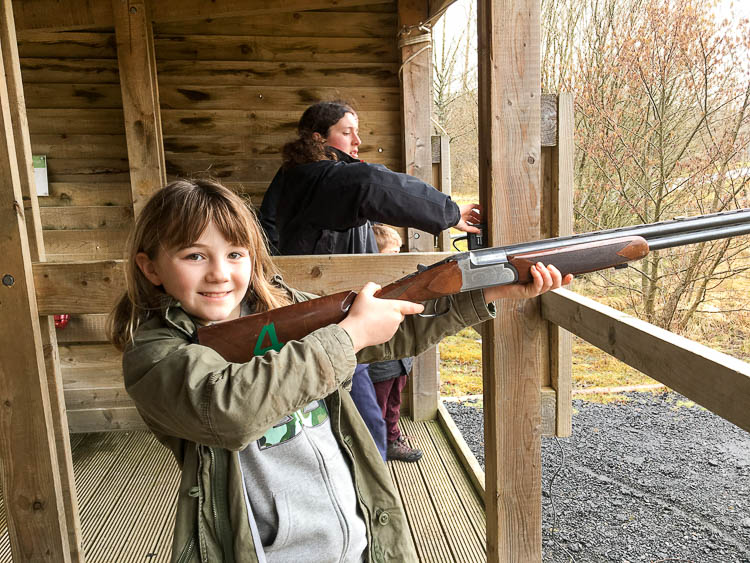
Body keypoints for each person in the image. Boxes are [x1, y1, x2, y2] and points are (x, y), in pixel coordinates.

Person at [108, 178, 571, 562]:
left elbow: (391, 331)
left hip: (353, 532)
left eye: (235, 254)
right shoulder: (155, 353)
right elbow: (231, 409)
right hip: (265, 550)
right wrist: (349, 334)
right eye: (194, 256)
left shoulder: (283, 312)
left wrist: (489, 293)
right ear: (150, 268)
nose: (219, 273)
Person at [259, 100, 482, 460]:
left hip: (323, 310)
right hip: (329, 314)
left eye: (357, 132)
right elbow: (371, 184)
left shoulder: (296, 178)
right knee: (361, 419)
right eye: (346, 132)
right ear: (319, 139)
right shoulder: (318, 178)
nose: (357, 140)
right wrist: (450, 213)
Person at [367, 224, 422, 462]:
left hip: (400, 358)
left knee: (394, 401)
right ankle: (378, 447)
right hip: (381, 361)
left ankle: (392, 437)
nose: (398, 259)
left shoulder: (398, 282)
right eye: (393, 254)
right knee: (377, 406)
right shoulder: (370, 289)